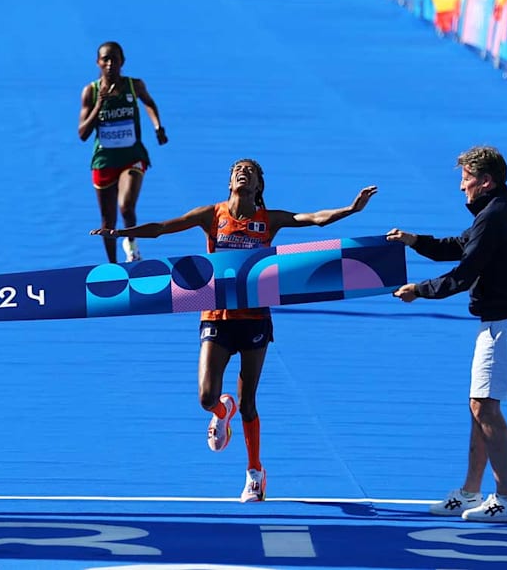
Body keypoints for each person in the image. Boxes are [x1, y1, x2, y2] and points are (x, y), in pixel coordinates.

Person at [95, 159, 377, 501]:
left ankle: (255, 472)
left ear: (258, 186)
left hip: (255, 319)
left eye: (250, 171)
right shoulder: (211, 215)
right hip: (217, 316)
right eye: (237, 170)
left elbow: (314, 218)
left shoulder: (269, 219)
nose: (243, 172)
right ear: (230, 182)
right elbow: (163, 228)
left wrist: (351, 209)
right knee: (206, 398)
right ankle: (220, 411)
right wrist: (122, 233)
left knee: (248, 404)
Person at [389, 145, 507, 524]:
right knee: (478, 406)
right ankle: (470, 491)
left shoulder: (496, 215)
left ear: (485, 181)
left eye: (466, 179)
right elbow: (458, 246)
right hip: (498, 320)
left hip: (506, 323)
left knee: (485, 407)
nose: (461, 187)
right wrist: (414, 240)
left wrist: (419, 290)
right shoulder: (496, 210)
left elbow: (464, 274)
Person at [78, 41, 167, 264]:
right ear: (98, 62)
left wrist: (157, 126)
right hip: (104, 160)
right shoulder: (91, 92)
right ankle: (112, 266)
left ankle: (132, 247)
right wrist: (99, 106)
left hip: (132, 156)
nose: (110, 64)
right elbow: (82, 133)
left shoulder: (134, 85)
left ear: (122, 62)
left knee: (126, 207)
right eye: (105, 59)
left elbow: (149, 103)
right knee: (108, 220)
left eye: (114, 59)